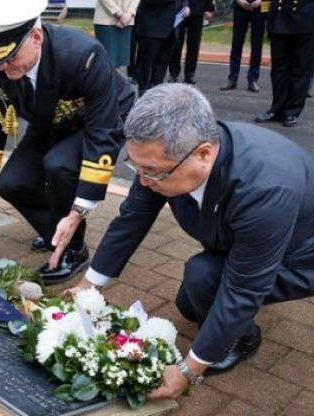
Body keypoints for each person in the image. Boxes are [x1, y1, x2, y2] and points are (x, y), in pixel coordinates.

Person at [72, 84, 314, 399]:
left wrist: (188, 371)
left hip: (299, 256)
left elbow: (244, 289)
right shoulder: (167, 156)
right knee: (191, 305)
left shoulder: (265, 188)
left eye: (152, 172)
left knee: (203, 276)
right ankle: (222, 319)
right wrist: (87, 286)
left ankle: (244, 341)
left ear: (203, 153)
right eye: (137, 167)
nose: (143, 181)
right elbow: (132, 217)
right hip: (247, 239)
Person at [0, 0, 135, 285]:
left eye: (9, 58)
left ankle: (74, 248)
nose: (2, 68)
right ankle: (54, 228)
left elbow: (102, 133)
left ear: (36, 38)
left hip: (100, 116)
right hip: (49, 120)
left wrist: (78, 212)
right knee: (13, 183)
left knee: (59, 166)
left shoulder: (82, 54)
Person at [255, 0, 314, 127]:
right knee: (278, 69)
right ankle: (277, 108)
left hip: (305, 18)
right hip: (278, 17)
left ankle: (292, 111)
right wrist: (265, 14)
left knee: (300, 69)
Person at [133, 0, 189, 95]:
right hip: (151, 26)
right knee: (145, 63)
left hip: (172, 27)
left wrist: (185, 5)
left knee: (162, 64)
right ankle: (143, 93)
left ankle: (156, 92)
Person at [220, 0, 266, 92]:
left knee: (257, 45)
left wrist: (261, 1)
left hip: (260, 7)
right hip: (240, 6)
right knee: (236, 43)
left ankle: (253, 79)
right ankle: (232, 78)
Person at [168, 0, 214, 84]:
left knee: (194, 44)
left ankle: (189, 75)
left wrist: (209, 8)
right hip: (179, 9)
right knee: (176, 43)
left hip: (198, 9)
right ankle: (173, 73)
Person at [93, 0, 141, 70]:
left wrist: (130, 12)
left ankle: (113, 80)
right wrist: (119, 13)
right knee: (106, 61)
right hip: (106, 19)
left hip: (127, 20)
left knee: (118, 61)